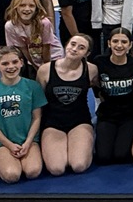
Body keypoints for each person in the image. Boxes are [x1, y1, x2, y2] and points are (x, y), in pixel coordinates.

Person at [0, 46, 46, 183]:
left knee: (33, 172)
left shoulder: (33, 87)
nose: (11, 67)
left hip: (28, 140)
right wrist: (8, 145)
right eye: (5, 63)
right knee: (12, 176)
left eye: (15, 62)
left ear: (21, 62)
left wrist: (28, 142)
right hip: (2, 143)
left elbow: (37, 117)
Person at [36, 34, 97, 176]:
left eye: (81, 48)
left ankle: (87, 143)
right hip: (53, 123)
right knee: (57, 169)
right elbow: (38, 102)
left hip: (79, 122)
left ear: (86, 54)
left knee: (79, 166)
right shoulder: (45, 70)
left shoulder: (91, 70)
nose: (75, 49)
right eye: (73, 44)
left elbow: (101, 91)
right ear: (66, 45)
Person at [93, 27, 133, 165]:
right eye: (115, 41)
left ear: (130, 45)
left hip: (129, 116)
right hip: (107, 115)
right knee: (103, 158)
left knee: (121, 156)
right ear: (109, 43)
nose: (119, 45)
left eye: (124, 42)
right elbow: (93, 81)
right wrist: (99, 95)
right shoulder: (99, 62)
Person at [4, 0, 64, 74]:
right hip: (35, 59)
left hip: (53, 56)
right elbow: (23, 49)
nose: (27, 9)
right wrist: (35, 66)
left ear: (36, 8)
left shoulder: (44, 23)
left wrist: (46, 68)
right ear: (15, 7)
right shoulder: (10, 26)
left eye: (31, 6)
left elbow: (46, 47)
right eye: (22, 5)